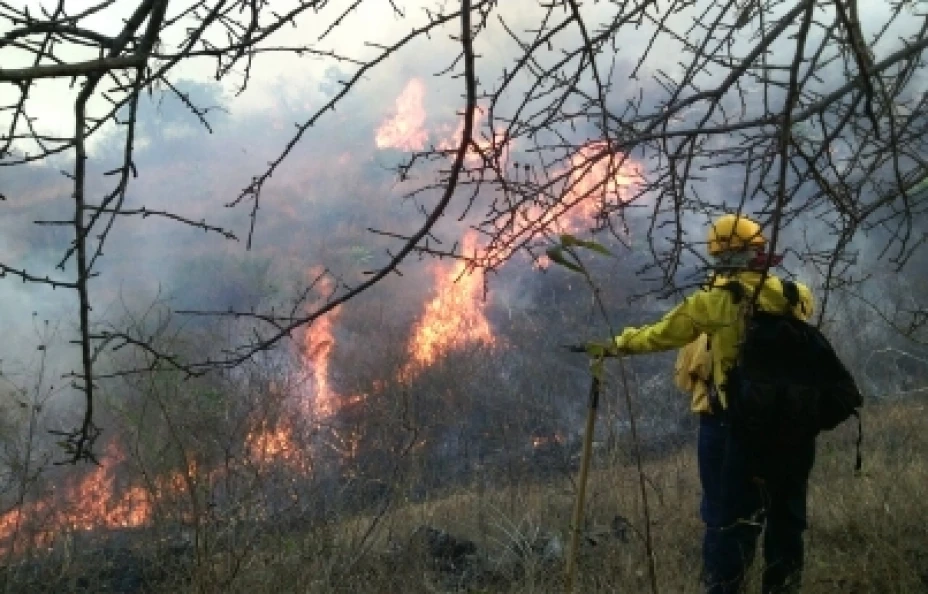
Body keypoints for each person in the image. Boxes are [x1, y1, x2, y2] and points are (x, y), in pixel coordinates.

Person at [595, 214, 816, 594]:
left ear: (721, 257)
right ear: (759, 251)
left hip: (733, 425)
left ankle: (724, 586)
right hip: (793, 426)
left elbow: (660, 334)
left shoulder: (713, 302)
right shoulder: (796, 295)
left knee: (726, 517)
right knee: (786, 517)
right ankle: (783, 587)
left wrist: (615, 345)